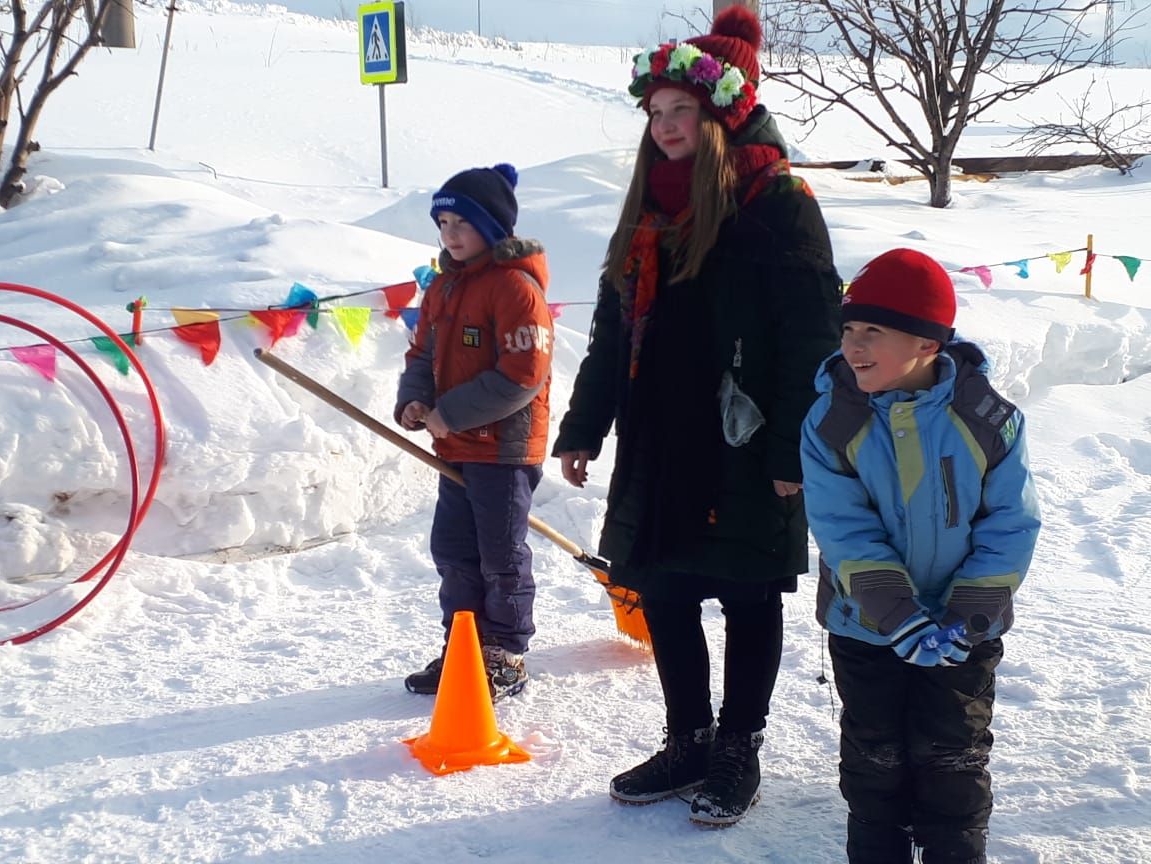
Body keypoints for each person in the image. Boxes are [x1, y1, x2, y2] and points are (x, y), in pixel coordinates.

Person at [552, 6, 842, 827]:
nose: (668, 127)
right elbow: (616, 325)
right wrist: (585, 424)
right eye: (657, 115)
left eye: (683, 112)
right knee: (666, 588)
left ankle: (737, 748)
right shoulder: (648, 205)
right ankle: (687, 739)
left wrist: (794, 447)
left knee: (748, 594)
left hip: (745, 441)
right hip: (660, 434)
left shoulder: (778, 201)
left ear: (719, 114)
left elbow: (811, 335)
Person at [799, 248, 1042, 863]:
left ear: (927, 344)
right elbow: (842, 526)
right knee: (874, 756)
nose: (853, 346)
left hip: (966, 631)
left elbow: (1010, 521)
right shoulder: (831, 420)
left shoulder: (988, 420)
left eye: (873, 332)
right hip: (866, 625)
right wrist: (895, 612)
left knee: (952, 757)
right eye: (849, 329)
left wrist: (972, 610)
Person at [396, 163, 553, 703]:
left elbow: (523, 374)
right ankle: (462, 649)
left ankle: (505, 653)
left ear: (491, 226)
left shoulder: (515, 287)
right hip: (457, 444)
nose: (449, 234)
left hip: (503, 449)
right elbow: (422, 353)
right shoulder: (443, 286)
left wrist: (451, 413)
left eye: (460, 223)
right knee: (453, 550)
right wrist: (415, 400)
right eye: (442, 223)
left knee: (499, 554)